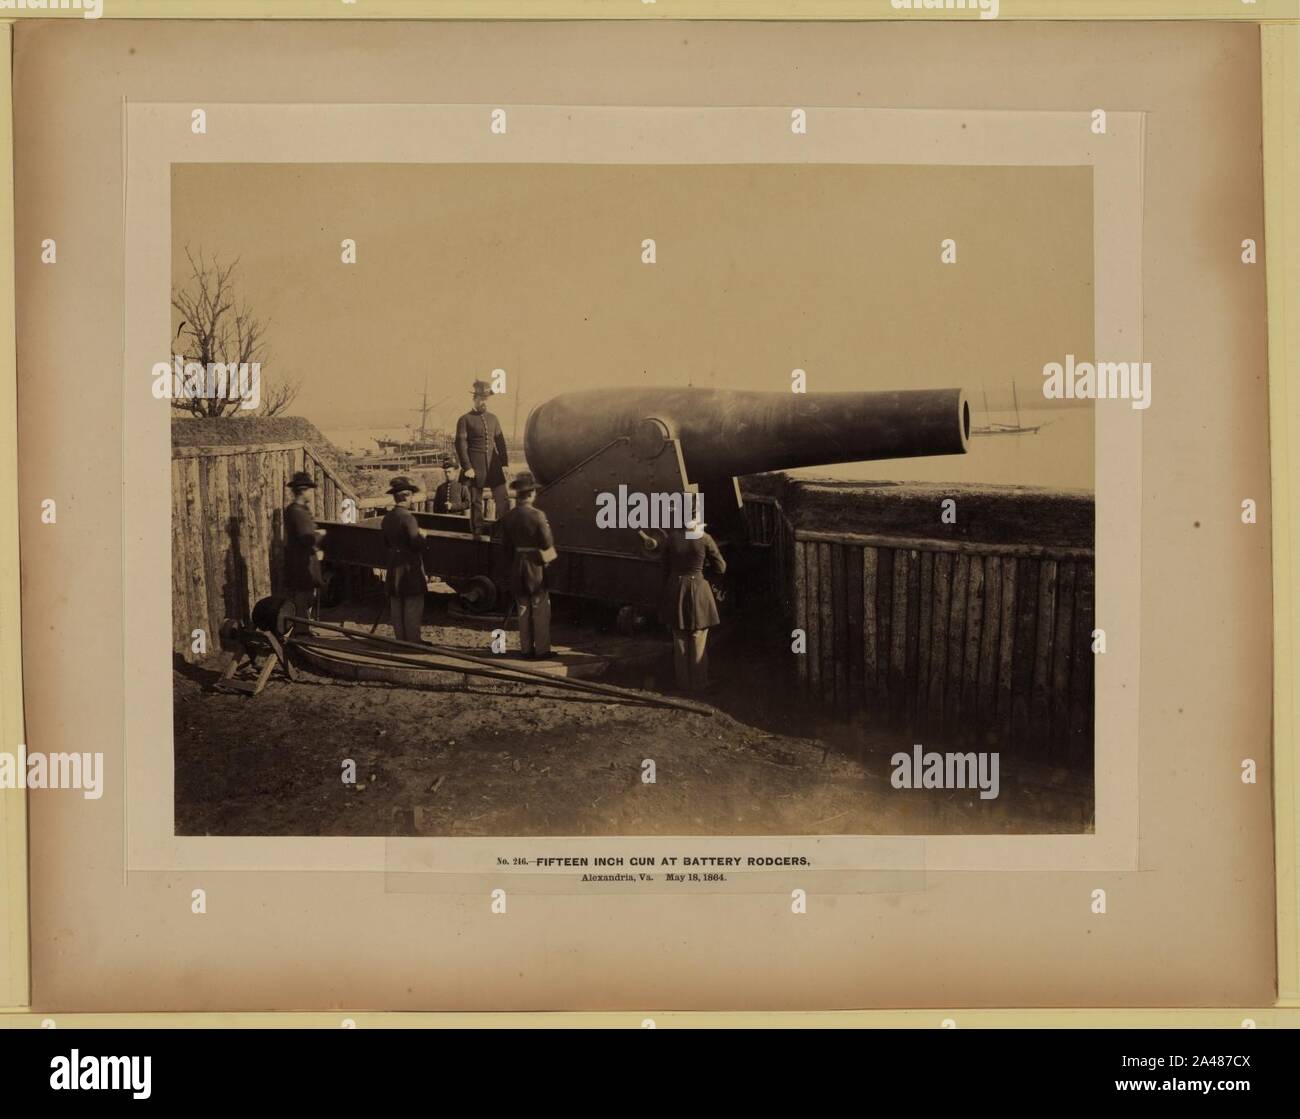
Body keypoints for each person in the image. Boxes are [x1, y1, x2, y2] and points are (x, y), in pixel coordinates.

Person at [659, 516, 726, 692]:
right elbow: (721, 567)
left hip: (675, 589)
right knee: (698, 635)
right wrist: (705, 568)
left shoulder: (671, 538)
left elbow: (664, 567)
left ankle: (682, 683)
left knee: (679, 636)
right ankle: (699, 683)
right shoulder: (705, 538)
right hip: (698, 588)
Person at [498, 471, 556, 660]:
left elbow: (505, 547)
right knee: (539, 608)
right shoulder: (538, 516)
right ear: (531, 494)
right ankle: (542, 650)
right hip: (535, 566)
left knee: (522, 609)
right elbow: (547, 543)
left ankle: (525, 649)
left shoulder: (508, 517)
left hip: (517, 566)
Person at [455, 379, 510, 537]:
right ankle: (477, 531)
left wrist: (504, 463)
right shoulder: (464, 419)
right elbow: (460, 445)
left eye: (487, 399)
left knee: (502, 498)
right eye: (482, 398)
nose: (484, 401)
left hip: (494, 465)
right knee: (476, 502)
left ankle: (503, 529)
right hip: (475, 466)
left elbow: (500, 441)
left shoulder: (493, 418)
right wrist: (467, 467)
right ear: (475, 399)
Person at [381, 475, 428, 644]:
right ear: (407, 496)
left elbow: (386, 542)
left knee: (396, 603)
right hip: (409, 566)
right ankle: (413, 642)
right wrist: (423, 536)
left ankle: (400, 641)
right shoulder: (408, 518)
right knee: (412, 603)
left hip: (394, 565)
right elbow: (416, 544)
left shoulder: (388, 518)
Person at [282, 471, 326, 626]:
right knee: (304, 595)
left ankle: (303, 627)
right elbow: (307, 538)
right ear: (303, 491)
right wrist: (319, 534)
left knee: (305, 594)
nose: (311, 494)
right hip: (301, 561)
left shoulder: (294, 509)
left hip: (299, 558)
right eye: (310, 490)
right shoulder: (298, 512)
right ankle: (301, 630)